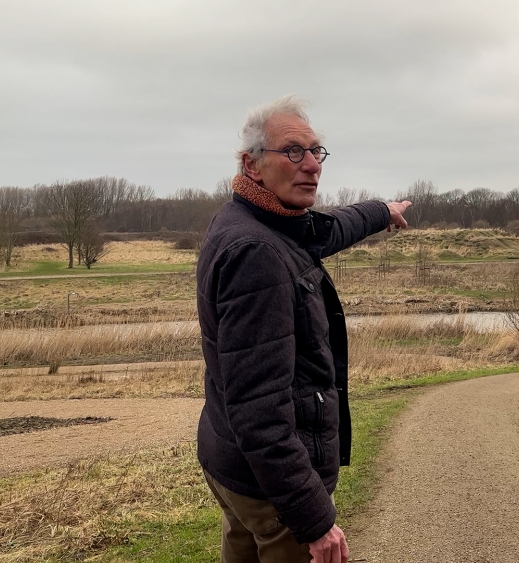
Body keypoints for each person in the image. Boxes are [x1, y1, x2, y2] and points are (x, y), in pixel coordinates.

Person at [196, 95, 411, 563]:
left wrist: (381, 211)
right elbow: (258, 407)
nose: (312, 164)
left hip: (236, 468)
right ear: (252, 164)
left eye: (316, 151)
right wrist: (313, 520)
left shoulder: (255, 219)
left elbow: (328, 229)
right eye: (294, 151)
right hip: (271, 491)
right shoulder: (257, 252)